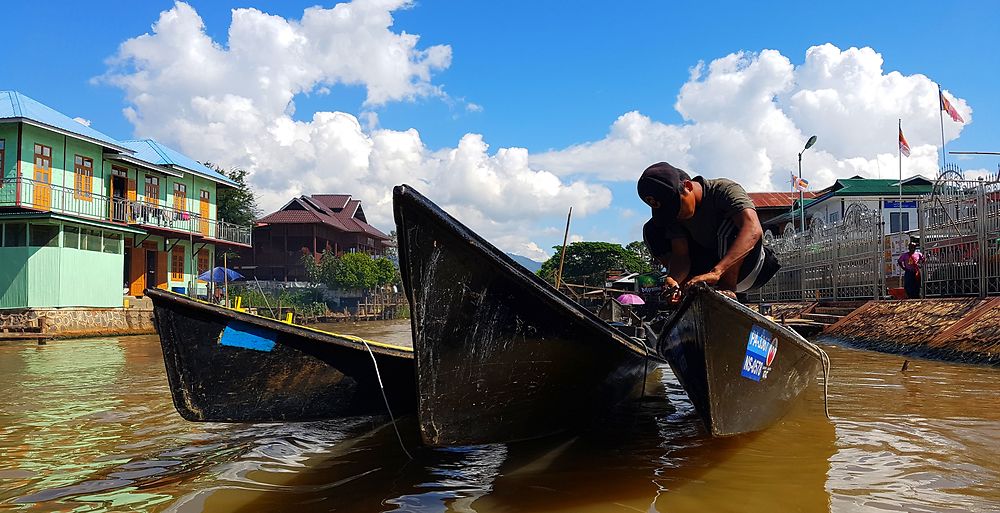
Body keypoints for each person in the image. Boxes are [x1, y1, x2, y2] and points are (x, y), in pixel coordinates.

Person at [637, 162, 780, 301]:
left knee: (735, 223)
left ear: (687, 186)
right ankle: (688, 293)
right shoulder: (674, 218)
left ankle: (727, 287)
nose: (676, 214)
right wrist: (673, 279)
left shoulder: (723, 190)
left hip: (751, 269)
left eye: (677, 207)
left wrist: (717, 272)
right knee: (652, 231)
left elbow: (753, 229)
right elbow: (681, 256)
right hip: (709, 267)